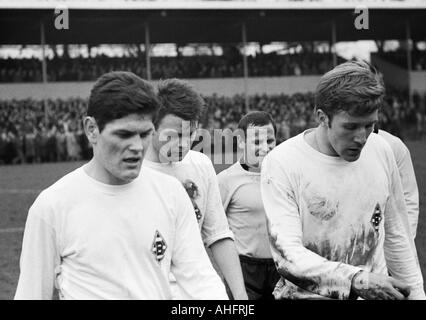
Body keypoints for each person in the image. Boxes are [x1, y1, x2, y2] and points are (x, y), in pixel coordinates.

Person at [15, 71, 228, 300]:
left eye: (145, 134)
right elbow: (32, 294)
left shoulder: (171, 193)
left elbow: (200, 279)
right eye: (124, 134)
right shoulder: (52, 207)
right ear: (91, 129)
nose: (137, 146)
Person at [260, 61, 425, 300]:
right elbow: (288, 256)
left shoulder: (382, 151)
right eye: (350, 127)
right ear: (322, 117)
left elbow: (397, 235)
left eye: (370, 125)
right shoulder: (282, 162)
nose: (361, 137)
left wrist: (417, 294)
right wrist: (356, 280)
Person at [143, 78, 248, 300]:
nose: (184, 143)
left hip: (198, 291)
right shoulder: (132, 171)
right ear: (151, 126)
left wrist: (239, 295)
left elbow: (218, 235)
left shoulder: (199, 164)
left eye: (190, 134)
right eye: (174, 135)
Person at [217, 111, 280, 300]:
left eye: (269, 141)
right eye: (257, 142)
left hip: (282, 266)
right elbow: (212, 230)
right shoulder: (226, 180)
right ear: (242, 142)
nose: (265, 147)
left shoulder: (286, 176)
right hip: (245, 270)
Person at [374, 127, 420, 239]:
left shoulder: (393, 146)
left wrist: (407, 240)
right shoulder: (334, 145)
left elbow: (408, 197)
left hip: (387, 234)